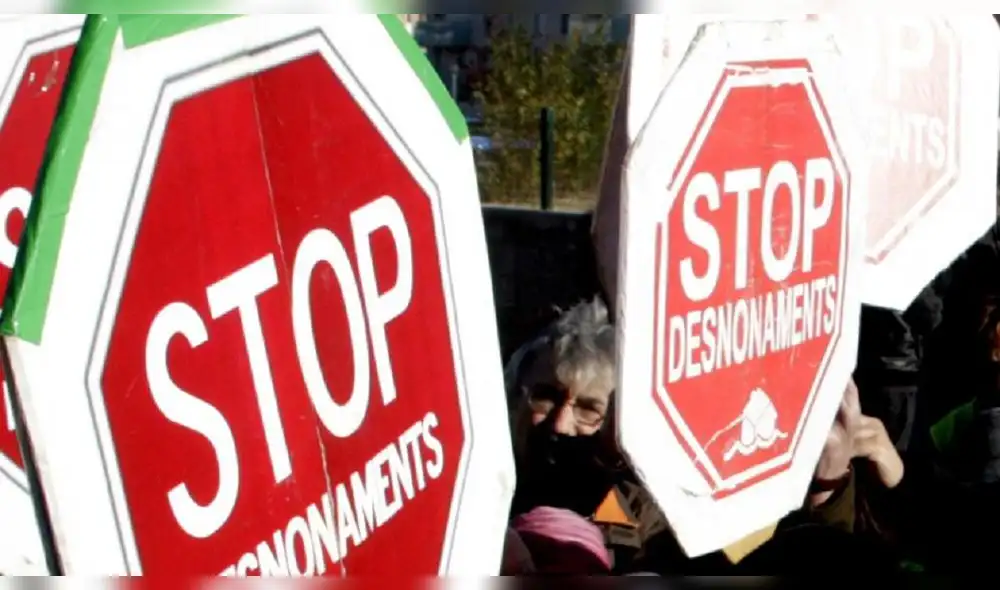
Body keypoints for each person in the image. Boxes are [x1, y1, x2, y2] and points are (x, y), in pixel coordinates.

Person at [505, 297, 907, 574]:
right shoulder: (476, 475)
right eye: (545, 396)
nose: (559, 424)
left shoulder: (663, 512)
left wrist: (828, 490)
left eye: (589, 409)